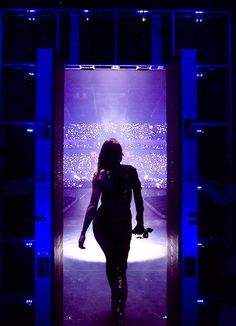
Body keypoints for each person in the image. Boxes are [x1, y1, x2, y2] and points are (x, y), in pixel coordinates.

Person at [78, 138, 145, 324]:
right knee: (121, 267)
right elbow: (139, 200)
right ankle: (119, 310)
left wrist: (83, 232)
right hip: (123, 223)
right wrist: (140, 222)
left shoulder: (101, 175)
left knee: (112, 264)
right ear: (120, 154)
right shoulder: (130, 172)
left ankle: (116, 307)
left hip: (104, 224)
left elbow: (92, 206)